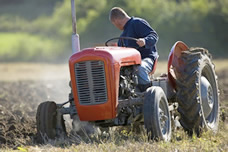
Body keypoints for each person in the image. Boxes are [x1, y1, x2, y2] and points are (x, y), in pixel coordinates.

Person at [109, 7, 159, 91]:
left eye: (114, 24)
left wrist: (145, 41)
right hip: (130, 64)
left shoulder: (137, 23)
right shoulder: (122, 37)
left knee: (140, 68)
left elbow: (154, 36)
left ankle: (147, 94)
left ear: (116, 21)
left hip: (146, 58)